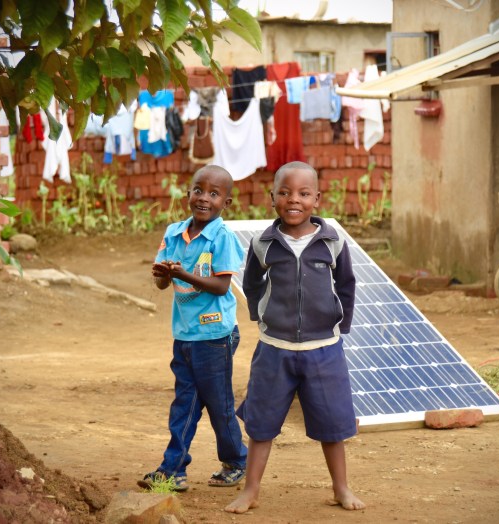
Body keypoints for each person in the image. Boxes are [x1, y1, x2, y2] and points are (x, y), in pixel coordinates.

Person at [225, 161, 366, 513]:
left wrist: (340, 325)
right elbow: (252, 284)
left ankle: (341, 488)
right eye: (285, 192)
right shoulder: (263, 243)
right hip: (275, 349)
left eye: (303, 193)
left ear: (317, 199)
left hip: (324, 350)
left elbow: (346, 285)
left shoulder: (332, 241)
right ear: (272, 197)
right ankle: (251, 490)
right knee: (261, 423)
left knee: (332, 425)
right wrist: (263, 316)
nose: (294, 200)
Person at [139, 165, 247, 492]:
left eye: (214, 194)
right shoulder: (174, 233)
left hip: (215, 336)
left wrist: (182, 274)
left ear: (226, 203)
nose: (204, 198)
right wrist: (164, 274)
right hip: (185, 334)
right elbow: (162, 284)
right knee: (184, 404)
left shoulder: (222, 238)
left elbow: (221, 286)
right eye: (198, 190)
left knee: (218, 404)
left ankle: (237, 460)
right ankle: (173, 470)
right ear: (188, 194)